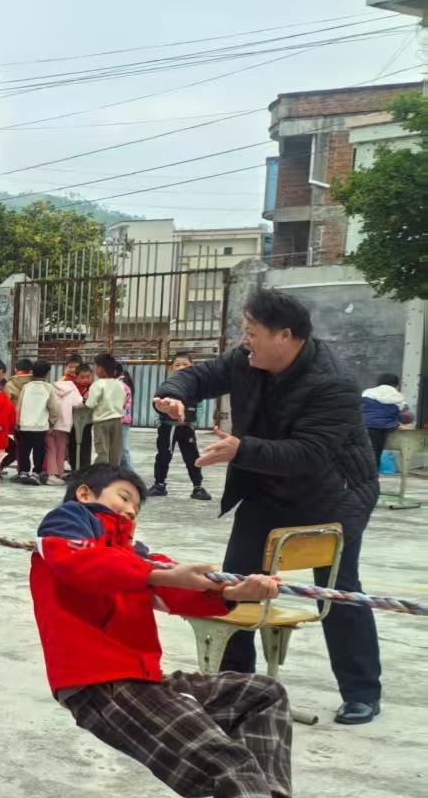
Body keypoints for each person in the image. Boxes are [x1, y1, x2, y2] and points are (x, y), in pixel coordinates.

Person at [30, 462, 380, 798]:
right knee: (228, 762)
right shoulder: (67, 525)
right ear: (86, 492)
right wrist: (157, 571)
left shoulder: (132, 551)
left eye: (136, 503)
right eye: (124, 496)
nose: (130, 507)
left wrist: (235, 590)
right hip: (100, 685)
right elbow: (78, 567)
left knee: (263, 694)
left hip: (143, 678)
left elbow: (177, 589)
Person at [154, 289, 383, 725]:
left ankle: (362, 690)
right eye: (244, 331)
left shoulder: (332, 383)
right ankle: (239, 686)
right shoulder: (246, 360)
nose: (246, 341)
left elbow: (309, 453)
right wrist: (172, 395)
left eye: (252, 332)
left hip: (331, 498)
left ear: (286, 336)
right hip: (264, 492)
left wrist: (241, 449)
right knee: (234, 587)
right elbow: (199, 377)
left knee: (338, 592)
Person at [150, 352, 211, 500]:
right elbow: (157, 403)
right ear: (172, 368)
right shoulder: (168, 386)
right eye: (177, 365)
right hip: (167, 426)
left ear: (192, 367)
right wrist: (158, 422)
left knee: (192, 456)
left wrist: (194, 423)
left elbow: (200, 407)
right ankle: (159, 484)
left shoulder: (196, 388)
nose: (181, 367)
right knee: (163, 455)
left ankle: (198, 487)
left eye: (185, 364)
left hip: (186, 426)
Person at [360, 371, 414, 467]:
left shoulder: (367, 393)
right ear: (396, 384)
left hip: (362, 426)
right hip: (381, 428)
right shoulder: (398, 397)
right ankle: (372, 477)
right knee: (375, 455)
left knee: (362, 455)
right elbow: (406, 418)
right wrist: (408, 418)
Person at [13, 360, 54, 485]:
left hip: (25, 425)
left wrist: (17, 420)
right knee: (39, 450)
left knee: (24, 449)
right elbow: (54, 406)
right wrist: (52, 420)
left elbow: (19, 405)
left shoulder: (26, 387)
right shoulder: (49, 388)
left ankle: (24, 472)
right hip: (40, 426)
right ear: (47, 374)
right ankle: (36, 472)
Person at [86, 355, 127, 466]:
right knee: (115, 451)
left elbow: (91, 404)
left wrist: (85, 400)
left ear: (100, 369)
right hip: (117, 421)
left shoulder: (98, 384)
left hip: (101, 421)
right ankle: (114, 474)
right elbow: (124, 400)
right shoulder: (119, 384)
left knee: (102, 450)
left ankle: (102, 473)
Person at [47, 363, 81, 483]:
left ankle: (51, 474)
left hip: (51, 423)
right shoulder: (73, 388)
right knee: (61, 450)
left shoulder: (53, 386)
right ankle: (59, 474)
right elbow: (79, 403)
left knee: (51, 449)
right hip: (64, 424)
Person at [70, 363, 96, 473]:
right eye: (82, 377)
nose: (86, 380)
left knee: (86, 445)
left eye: (88, 377)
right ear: (76, 377)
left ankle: (85, 469)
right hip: (73, 422)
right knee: (73, 445)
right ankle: (74, 468)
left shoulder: (94, 388)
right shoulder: (72, 388)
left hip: (87, 422)